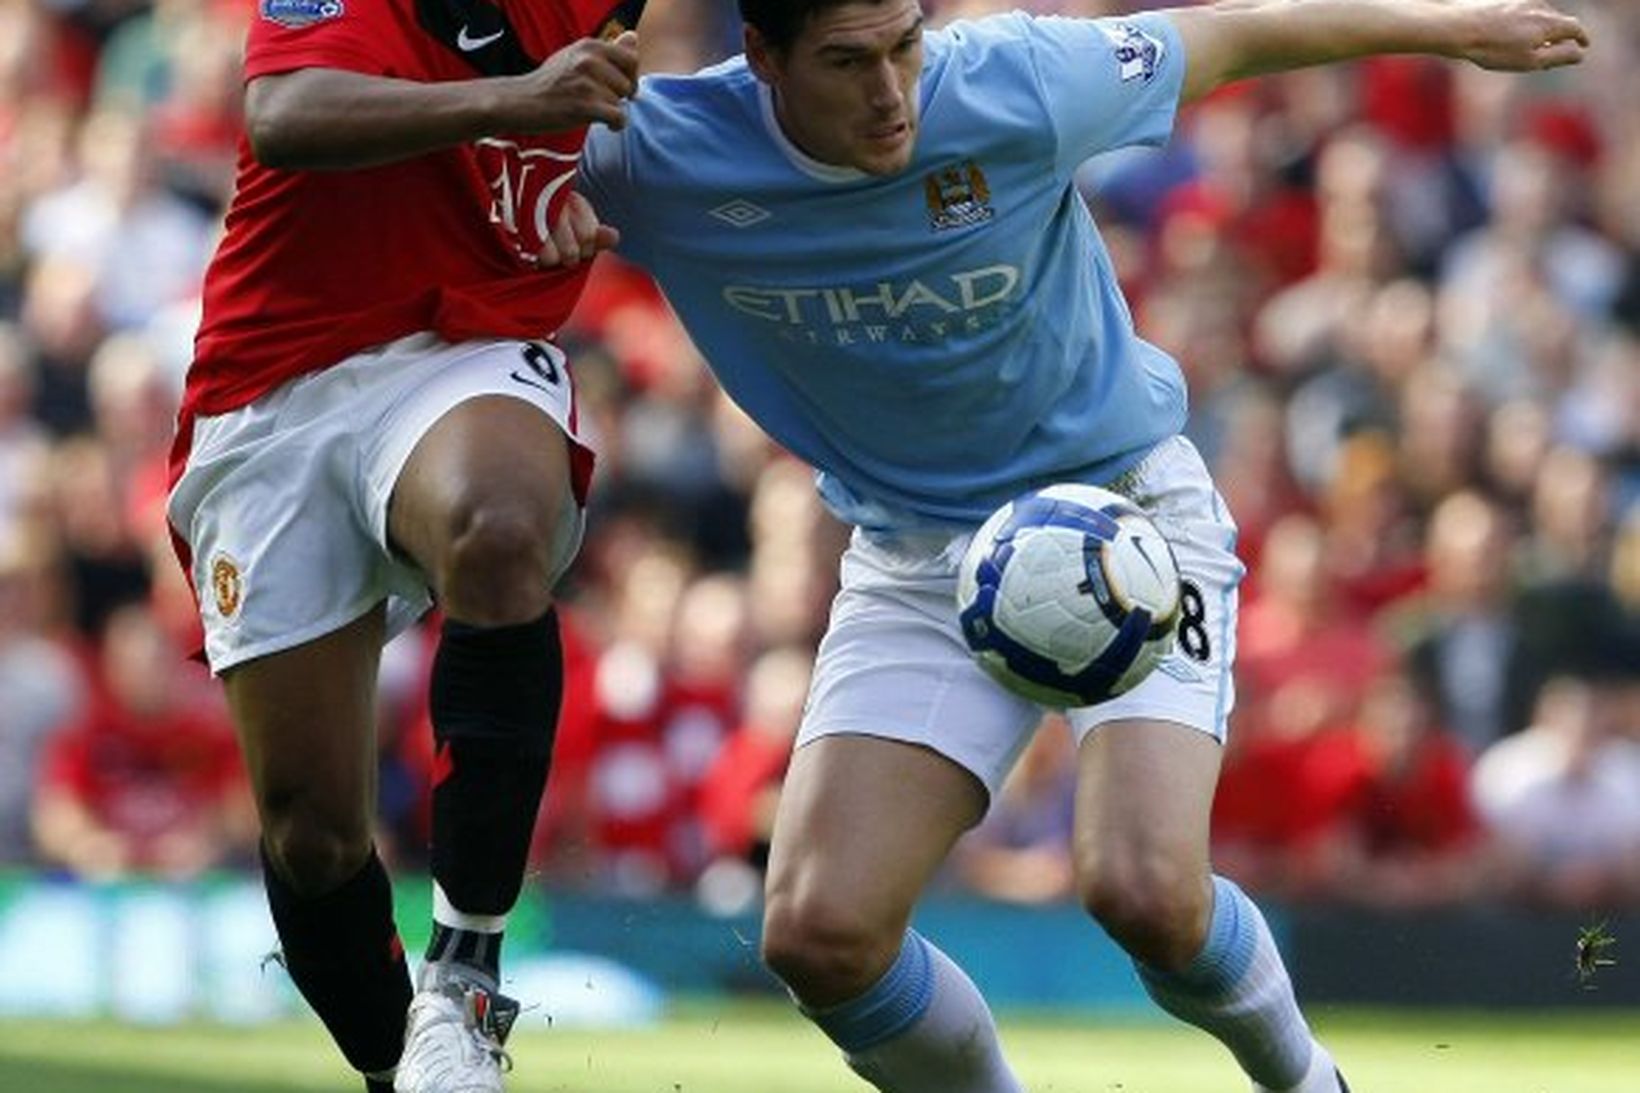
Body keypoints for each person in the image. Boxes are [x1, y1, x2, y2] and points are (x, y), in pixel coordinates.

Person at [572, 1, 1590, 1090]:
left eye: (903, 46)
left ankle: (1305, 1079)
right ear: (760, 59)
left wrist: (1444, 25)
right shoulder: (658, 150)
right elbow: (442, 164)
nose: (888, 91)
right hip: (920, 558)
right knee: (818, 933)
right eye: (844, 62)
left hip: (1124, 517)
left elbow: (1236, 34)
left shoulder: (1016, 79)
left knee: (1144, 891)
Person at [163, 0, 649, 1089]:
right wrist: (521, 110)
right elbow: (285, 112)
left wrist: (566, 182)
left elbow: (605, 118)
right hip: (274, 386)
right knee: (312, 836)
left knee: (497, 524)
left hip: (461, 344)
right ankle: (408, 1071)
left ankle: (465, 983)